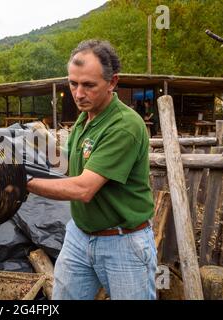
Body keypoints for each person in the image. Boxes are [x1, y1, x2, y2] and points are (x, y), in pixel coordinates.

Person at [26, 39, 157, 300]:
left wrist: (23, 181)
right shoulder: (86, 119)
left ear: (112, 82)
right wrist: (31, 145)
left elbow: (84, 188)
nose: (78, 94)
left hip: (123, 243)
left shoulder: (124, 126)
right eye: (73, 84)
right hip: (80, 235)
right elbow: (68, 165)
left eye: (88, 85)